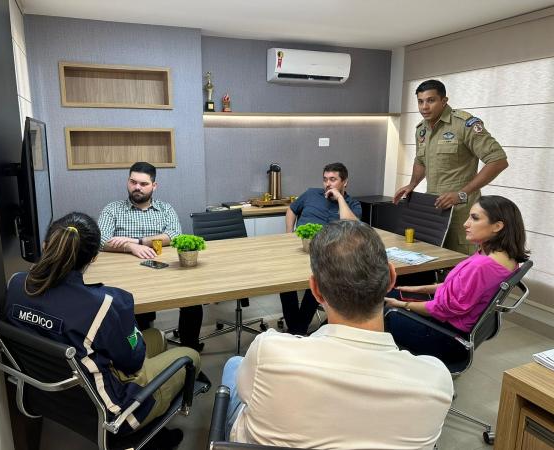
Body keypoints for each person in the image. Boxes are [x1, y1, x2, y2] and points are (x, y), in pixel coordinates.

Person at [221, 220, 453, 449]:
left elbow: (246, 394)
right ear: (391, 278)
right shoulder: (436, 381)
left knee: (235, 365)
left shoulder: (268, 352)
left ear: (315, 290)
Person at [5, 212, 200, 448]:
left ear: (46, 246)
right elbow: (133, 361)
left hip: (46, 392)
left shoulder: (16, 284)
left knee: (157, 338)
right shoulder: (105, 305)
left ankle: (155, 416)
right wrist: (130, 331)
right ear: (94, 257)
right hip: (112, 411)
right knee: (190, 355)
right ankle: (152, 431)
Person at [385, 195, 529, 366]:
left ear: (497, 226)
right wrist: (420, 289)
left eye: (475, 218)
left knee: (377, 306)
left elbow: (441, 308)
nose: (466, 224)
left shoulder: (481, 267)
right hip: (452, 327)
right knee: (394, 292)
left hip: (445, 337)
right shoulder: (505, 257)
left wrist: (402, 305)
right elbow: (459, 287)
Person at [393, 79, 509, 255]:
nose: (424, 107)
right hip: (434, 210)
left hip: (461, 213)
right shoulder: (422, 129)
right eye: (420, 101)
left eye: (431, 100)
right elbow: (421, 160)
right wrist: (412, 184)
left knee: (459, 263)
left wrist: (462, 193)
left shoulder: (464, 124)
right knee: (432, 260)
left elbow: (498, 160)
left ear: (444, 101)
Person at [97, 161, 204, 351]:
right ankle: (145, 350)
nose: (137, 187)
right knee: (136, 310)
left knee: (193, 301)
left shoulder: (165, 209)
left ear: (154, 186)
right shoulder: (112, 209)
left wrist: (138, 241)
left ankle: (189, 351)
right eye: (133, 182)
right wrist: (130, 247)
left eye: (143, 184)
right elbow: (101, 240)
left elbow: (175, 235)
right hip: (128, 275)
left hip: (166, 271)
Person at [280, 162, 362, 335]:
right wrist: (289, 234)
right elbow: (291, 210)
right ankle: (297, 329)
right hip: (300, 249)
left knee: (319, 279)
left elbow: (352, 226)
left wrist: (339, 198)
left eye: (333, 179)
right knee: (283, 280)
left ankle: (296, 330)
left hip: (328, 257)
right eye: (325, 179)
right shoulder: (311, 194)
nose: (328, 184)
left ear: (345, 182)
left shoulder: (352, 205)